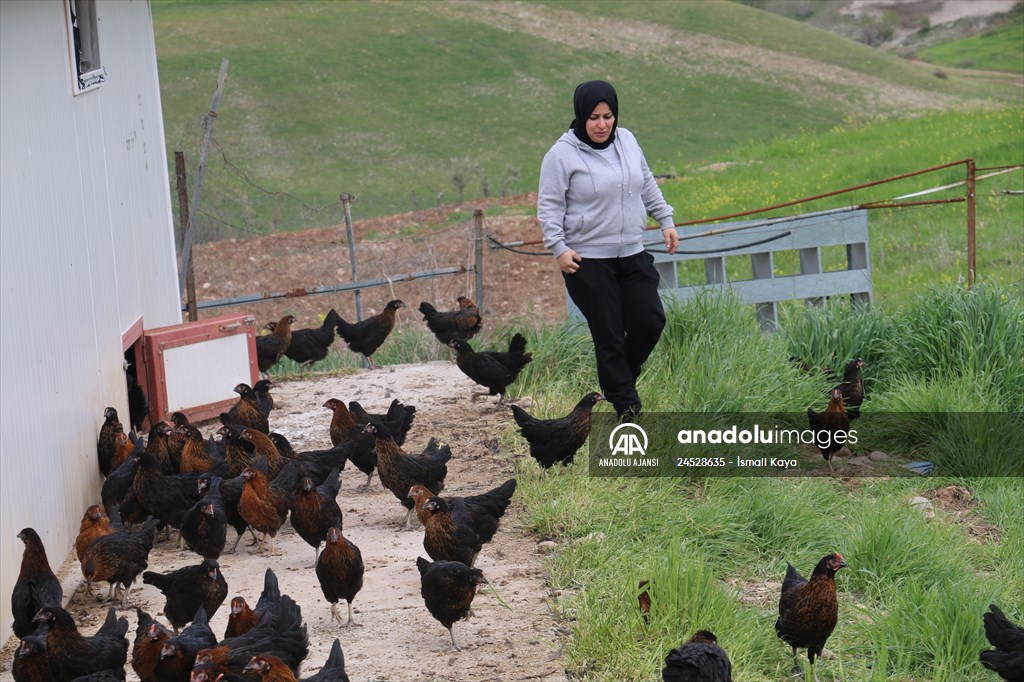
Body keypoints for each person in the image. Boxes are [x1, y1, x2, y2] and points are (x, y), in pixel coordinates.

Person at [537, 80, 679, 422]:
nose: (602, 124)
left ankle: (619, 381)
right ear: (580, 117)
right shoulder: (560, 155)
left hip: (631, 253)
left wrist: (666, 219)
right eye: (594, 117)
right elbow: (549, 206)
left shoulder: (627, 140)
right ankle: (628, 410)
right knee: (610, 335)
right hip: (587, 261)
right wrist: (558, 248)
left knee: (650, 322)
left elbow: (645, 182)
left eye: (608, 116)